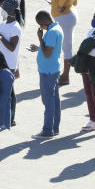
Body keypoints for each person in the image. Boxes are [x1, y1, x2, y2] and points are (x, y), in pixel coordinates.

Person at [29, 10, 63, 138]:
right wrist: (39, 48)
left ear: (44, 21)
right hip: (52, 69)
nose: (40, 27)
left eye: (40, 24)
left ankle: (48, 130)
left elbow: (47, 53)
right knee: (54, 100)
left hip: (48, 71)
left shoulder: (52, 32)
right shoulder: (55, 28)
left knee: (48, 101)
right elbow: (49, 49)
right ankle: (55, 128)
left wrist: (40, 39)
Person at [0, 0, 22, 122]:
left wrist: (0, 36)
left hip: (9, 64)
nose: (3, 10)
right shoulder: (3, 24)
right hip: (0, 62)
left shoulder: (15, 28)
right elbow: (0, 43)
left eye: (5, 8)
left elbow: (12, 47)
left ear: (12, 10)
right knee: (0, 90)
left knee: (9, 92)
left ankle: (11, 117)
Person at [51, 0, 78, 85]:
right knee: (67, 45)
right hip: (69, 14)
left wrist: (61, 6)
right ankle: (65, 74)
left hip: (64, 17)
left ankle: (65, 76)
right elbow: (75, 0)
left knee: (66, 47)